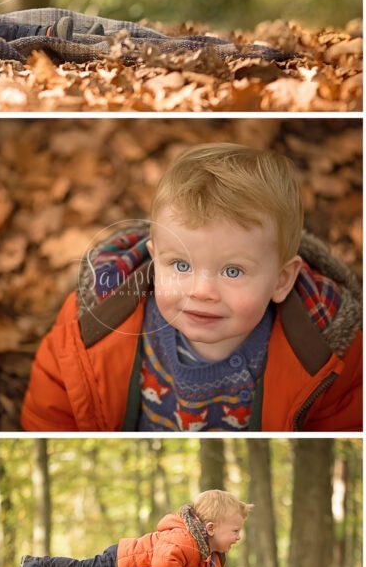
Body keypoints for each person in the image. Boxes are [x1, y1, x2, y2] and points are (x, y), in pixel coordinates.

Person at [21, 143, 362, 432]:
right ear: (156, 261)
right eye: (181, 265)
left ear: (281, 280)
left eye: (232, 271)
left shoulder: (326, 348)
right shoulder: (97, 321)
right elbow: (53, 407)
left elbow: (346, 421)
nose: (201, 291)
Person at [18, 490, 248, 567]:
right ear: (210, 528)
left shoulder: (215, 561)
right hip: (121, 565)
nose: (238, 537)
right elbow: (164, 565)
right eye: (235, 531)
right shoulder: (183, 539)